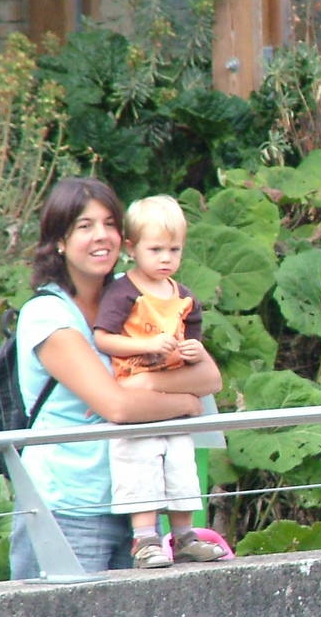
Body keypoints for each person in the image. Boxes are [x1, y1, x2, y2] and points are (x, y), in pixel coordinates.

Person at [9, 178, 222, 580]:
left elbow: (210, 376)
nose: (101, 236)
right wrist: (186, 404)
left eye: (109, 223)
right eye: (84, 226)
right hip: (70, 507)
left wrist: (143, 388)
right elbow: (118, 408)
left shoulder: (136, 299)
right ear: (59, 239)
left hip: (141, 509)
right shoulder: (47, 315)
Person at [92, 195, 227, 568]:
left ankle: (184, 536)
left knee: (181, 466)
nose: (165, 259)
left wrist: (193, 352)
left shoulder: (183, 296)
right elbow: (103, 337)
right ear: (132, 249)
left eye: (174, 250)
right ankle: (145, 539)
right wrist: (148, 344)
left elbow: (194, 338)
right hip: (135, 389)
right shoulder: (124, 292)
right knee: (138, 464)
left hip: (171, 388)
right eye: (156, 250)